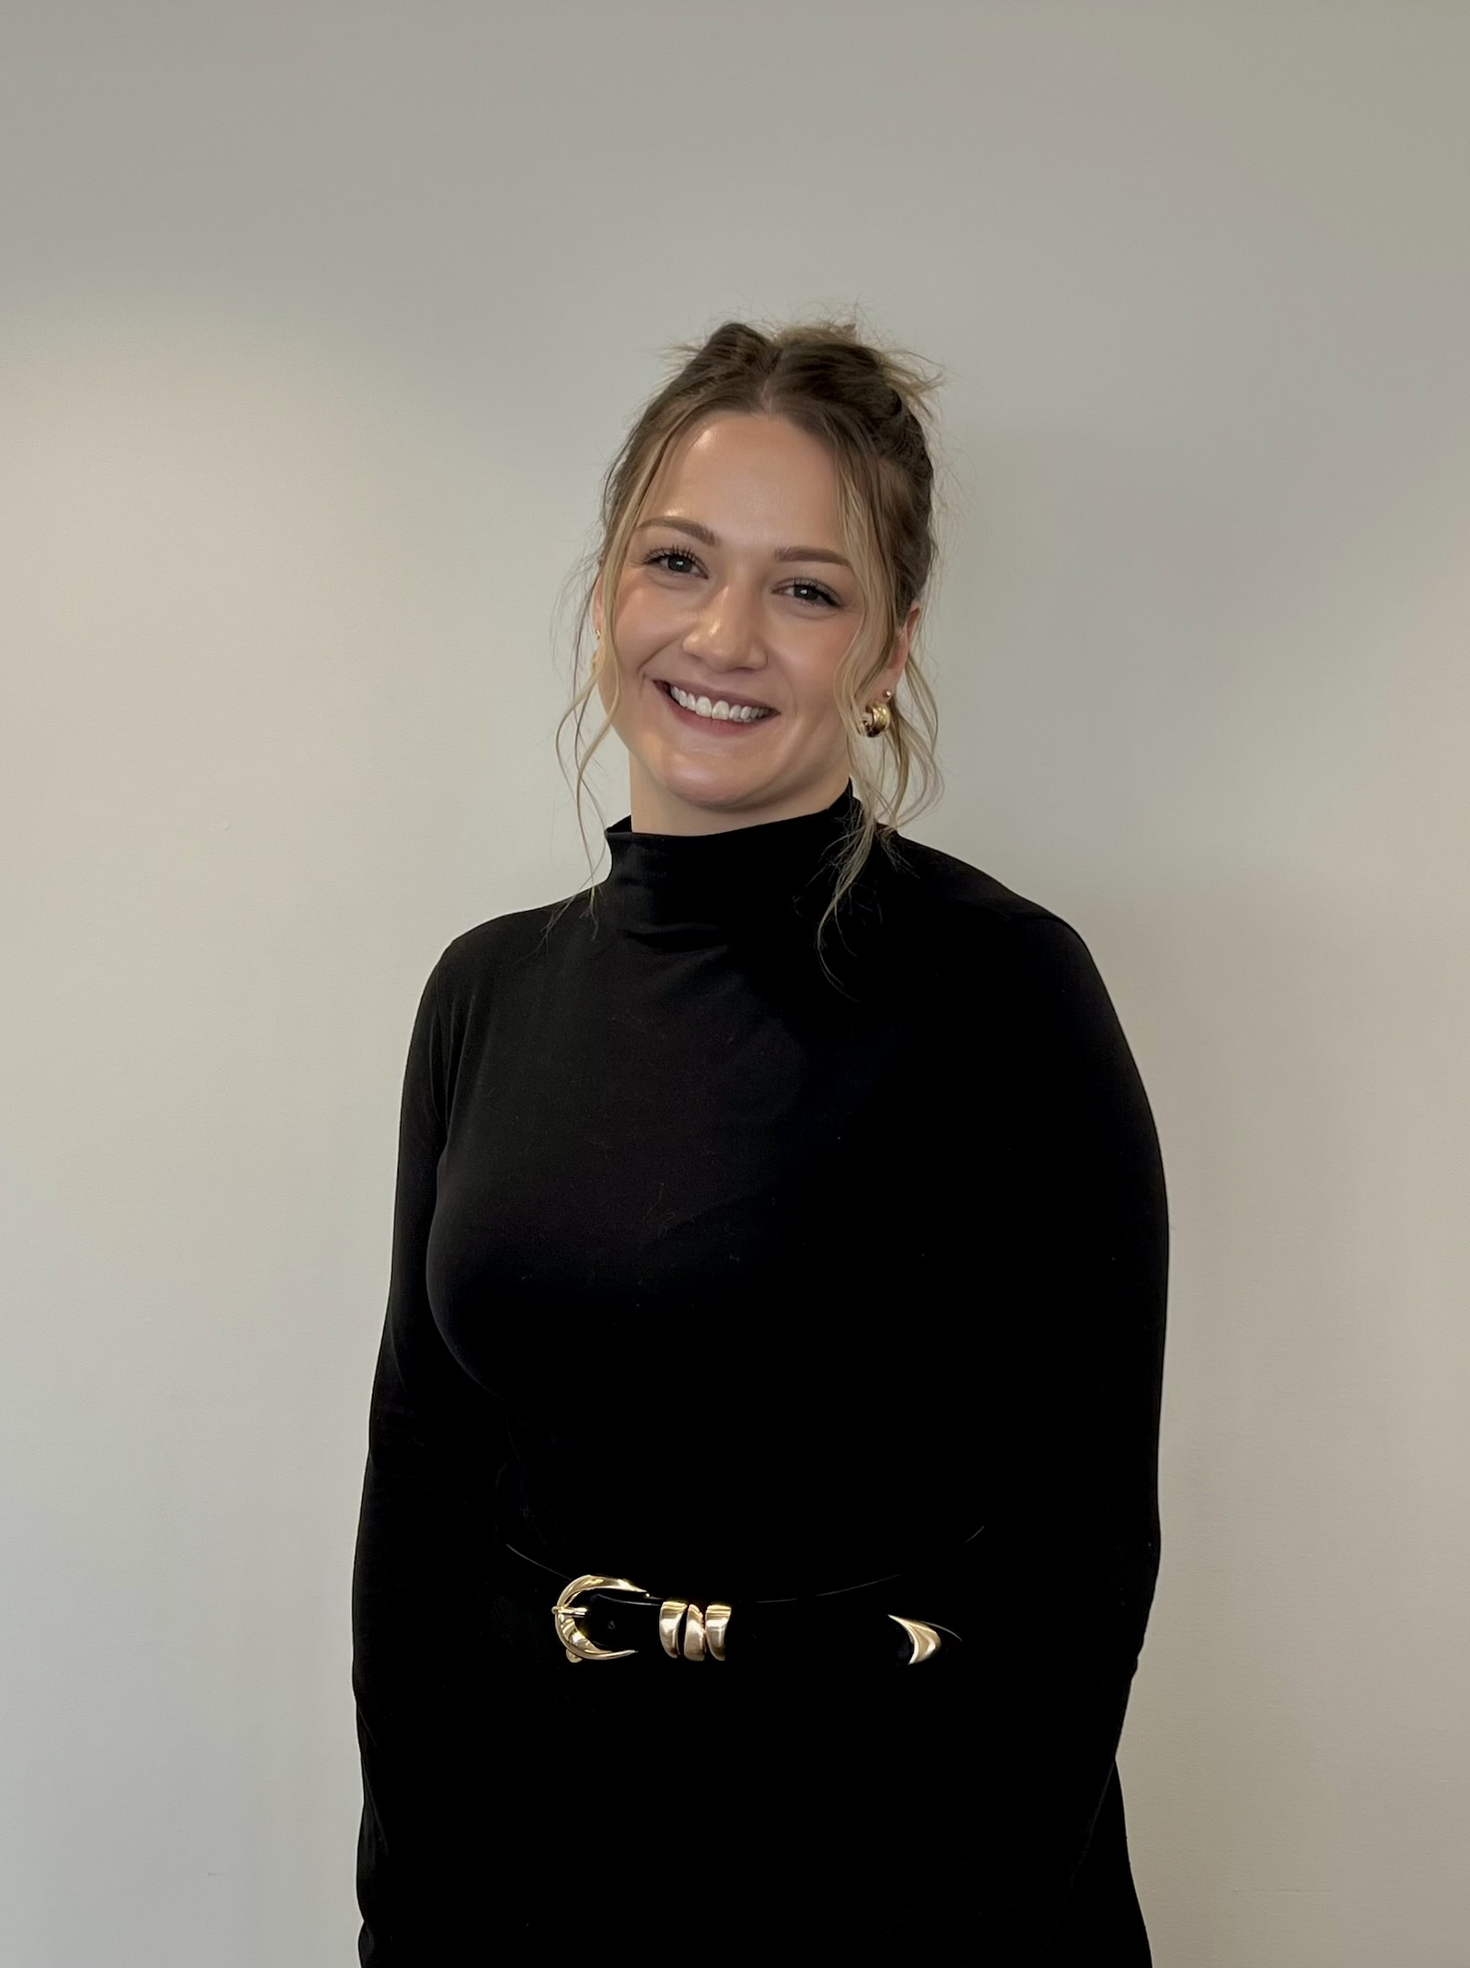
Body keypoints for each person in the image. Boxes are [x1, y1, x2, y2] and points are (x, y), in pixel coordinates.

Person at [350, 316, 1169, 1963]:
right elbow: (423, 1490)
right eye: (678, 561)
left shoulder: (1002, 987)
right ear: (607, 593)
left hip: (902, 1875)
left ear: (887, 651)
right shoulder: (485, 990)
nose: (723, 632)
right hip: (531, 1871)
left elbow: (1080, 1546)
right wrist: (407, 1900)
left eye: (807, 587)